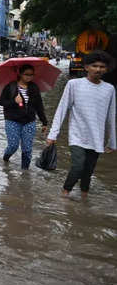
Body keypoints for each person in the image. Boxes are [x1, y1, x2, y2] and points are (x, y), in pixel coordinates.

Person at [47, 50, 116, 198]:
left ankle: (84, 198)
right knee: (78, 166)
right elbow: (62, 109)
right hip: (77, 135)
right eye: (94, 66)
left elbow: (111, 117)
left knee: (88, 171)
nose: (98, 69)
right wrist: (53, 134)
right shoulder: (74, 84)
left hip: (96, 137)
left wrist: (112, 141)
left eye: (102, 67)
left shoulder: (109, 89)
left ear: (106, 69)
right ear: (86, 67)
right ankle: (65, 194)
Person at [0, 64, 48, 169]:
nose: (29, 77)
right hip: (12, 120)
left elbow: (39, 106)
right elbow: (2, 102)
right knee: (13, 145)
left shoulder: (34, 88)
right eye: (26, 74)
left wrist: (44, 122)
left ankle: (25, 173)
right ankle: (6, 158)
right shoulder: (11, 86)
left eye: (31, 75)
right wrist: (14, 101)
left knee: (27, 149)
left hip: (29, 121)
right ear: (20, 74)